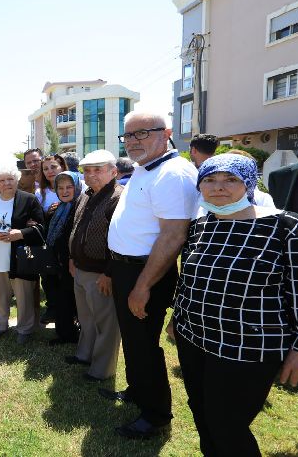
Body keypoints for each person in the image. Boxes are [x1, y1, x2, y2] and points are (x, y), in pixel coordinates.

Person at [173, 154, 298, 456]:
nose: (218, 187)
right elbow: (189, 279)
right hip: (194, 339)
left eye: (230, 179)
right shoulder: (200, 226)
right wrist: (177, 317)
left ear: (248, 184)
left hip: (247, 348)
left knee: (227, 424)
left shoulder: (286, 228)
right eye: (209, 180)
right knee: (202, 412)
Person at [105, 112, 199, 439]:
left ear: (166, 133)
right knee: (133, 341)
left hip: (145, 272)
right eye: (128, 136)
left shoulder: (173, 173)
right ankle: (138, 390)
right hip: (126, 268)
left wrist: (142, 286)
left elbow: (173, 236)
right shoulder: (147, 168)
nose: (133, 141)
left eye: (142, 133)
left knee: (144, 345)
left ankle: (156, 416)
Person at [66, 150, 124, 383]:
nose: (91, 175)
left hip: (101, 272)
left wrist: (109, 273)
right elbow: (77, 227)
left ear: (113, 172)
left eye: (98, 170)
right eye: (87, 171)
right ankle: (84, 355)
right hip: (81, 268)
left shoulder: (118, 197)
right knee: (86, 318)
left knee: (105, 324)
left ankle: (102, 370)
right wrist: (72, 258)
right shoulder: (86, 195)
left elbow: (121, 240)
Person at [0, 163, 45, 345]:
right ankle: (0, 325)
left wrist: (20, 234)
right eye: (2, 180)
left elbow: (42, 228)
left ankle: (25, 328)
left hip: (20, 257)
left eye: (10, 179)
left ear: (17, 180)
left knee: (24, 294)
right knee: (0, 293)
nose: (7, 183)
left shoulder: (29, 200)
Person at [45, 170, 82, 346]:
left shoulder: (80, 207)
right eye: (60, 188)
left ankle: (74, 334)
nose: (64, 191)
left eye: (69, 187)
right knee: (61, 300)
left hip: (72, 263)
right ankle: (64, 333)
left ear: (77, 187)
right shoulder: (57, 207)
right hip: (56, 263)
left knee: (71, 300)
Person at [36, 154, 69, 324]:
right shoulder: (40, 193)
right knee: (48, 278)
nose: (50, 171)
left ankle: (69, 312)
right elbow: (35, 218)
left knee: (66, 278)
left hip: (68, 242)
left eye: (53, 167)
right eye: (46, 168)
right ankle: (52, 308)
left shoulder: (74, 187)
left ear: (62, 167)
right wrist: (47, 212)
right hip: (47, 242)